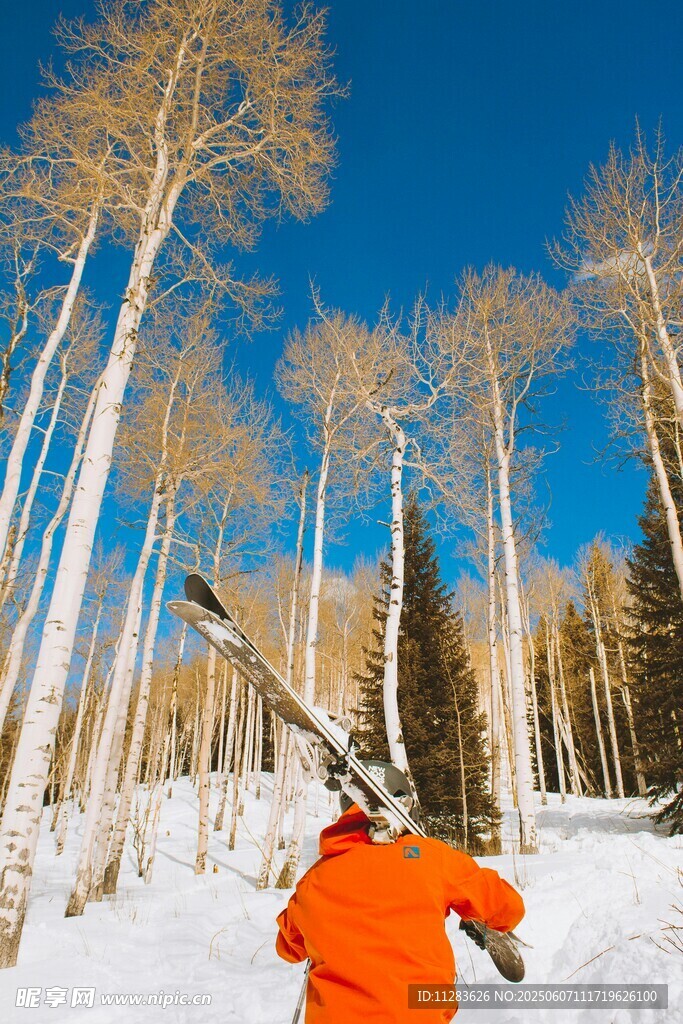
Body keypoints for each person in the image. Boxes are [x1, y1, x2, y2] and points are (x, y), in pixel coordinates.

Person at [275, 760, 524, 1024]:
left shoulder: (313, 880)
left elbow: (288, 947)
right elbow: (508, 907)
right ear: (407, 805)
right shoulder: (430, 857)